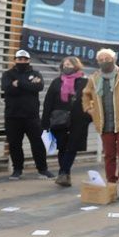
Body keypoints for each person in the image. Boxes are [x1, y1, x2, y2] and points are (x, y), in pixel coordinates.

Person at [82, 49, 119, 200]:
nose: (104, 61)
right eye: (100, 59)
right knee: (109, 155)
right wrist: (89, 109)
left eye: (107, 58)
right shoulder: (94, 78)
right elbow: (86, 94)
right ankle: (111, 184)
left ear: (114, 59)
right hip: (104, 122)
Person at [41, 57, 92, 187]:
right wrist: (45, 121)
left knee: (72, 147)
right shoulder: (56, 82)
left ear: (76, 66)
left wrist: (89, 117)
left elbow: (92, 101)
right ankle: (65, 174)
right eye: (65, 64)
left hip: (78, 120)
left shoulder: (85, 82)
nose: (67, 66)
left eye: (69, 64)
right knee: (62, 148)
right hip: (59, 120)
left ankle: (63, 172)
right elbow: (48, 102)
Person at [2, 50, 52, 180]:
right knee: (14, 144)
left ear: (29, 60)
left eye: (25, 59)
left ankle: (43, 169)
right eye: (19, 59)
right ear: (15, 60)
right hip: (13, 116)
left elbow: (38, 87)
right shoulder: (8, 74)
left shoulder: (36, 74)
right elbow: (7, 89)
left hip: (32, 116)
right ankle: (17, 169)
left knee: (38, 143)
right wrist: (28, 85)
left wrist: (18, 83)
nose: (22, 62)